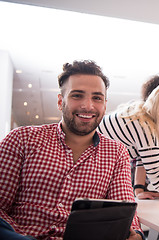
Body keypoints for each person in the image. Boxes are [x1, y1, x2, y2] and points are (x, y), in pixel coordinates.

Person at [0, 60, 143, 240]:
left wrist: (134, 233)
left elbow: (124, 211)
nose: (88, 106)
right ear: (61, 101)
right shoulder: (21, 139)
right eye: (77, 95)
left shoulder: (117, 153)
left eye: (97, 98)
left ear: (105, 105)